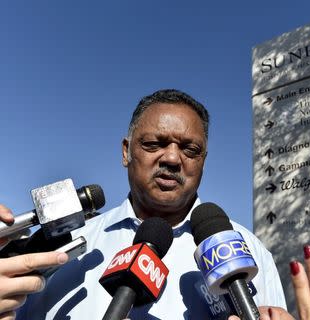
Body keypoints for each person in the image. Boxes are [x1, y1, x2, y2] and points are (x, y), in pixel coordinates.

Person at [1, 89, 286, 319]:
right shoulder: (61, 249)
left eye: (190, 149)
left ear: (203, 161)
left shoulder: (250, 252)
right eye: (154, 144)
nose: (172, 159)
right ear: (126, 152)